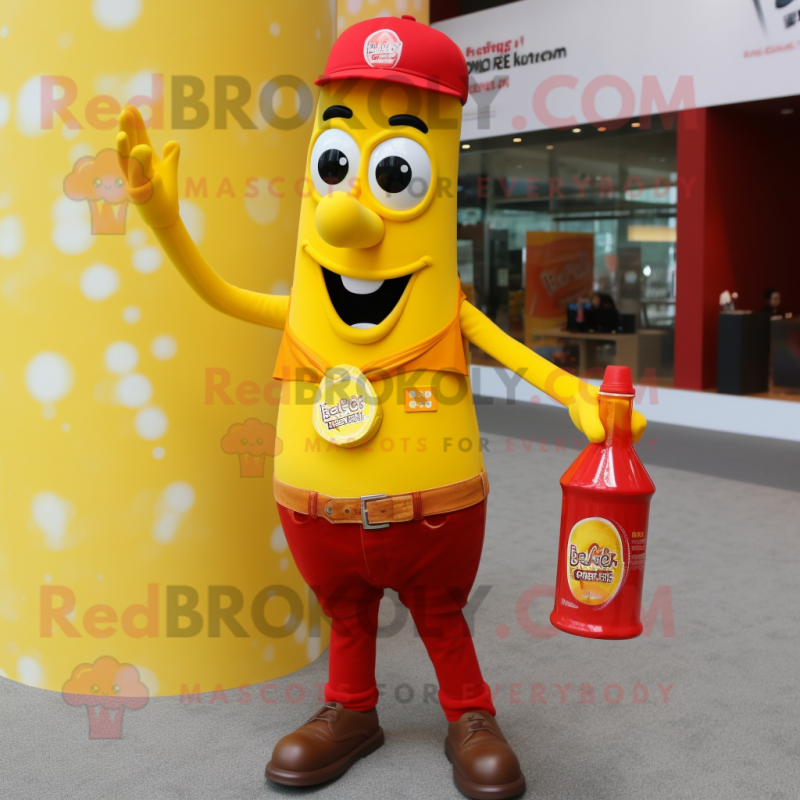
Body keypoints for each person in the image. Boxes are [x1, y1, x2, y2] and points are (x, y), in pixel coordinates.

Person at [116, 15, 647, 799]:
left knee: (440, 615)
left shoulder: (441, 305)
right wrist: (165, 223)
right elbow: (221, 295)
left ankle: (470, 714)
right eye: (336, 164)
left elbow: (522, 356)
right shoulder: (304, 301)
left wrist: (577, 396)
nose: (346, 215)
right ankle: (349, 710)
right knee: (347, 614)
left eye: (395, 172)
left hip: (434, 510)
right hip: (316, 509)